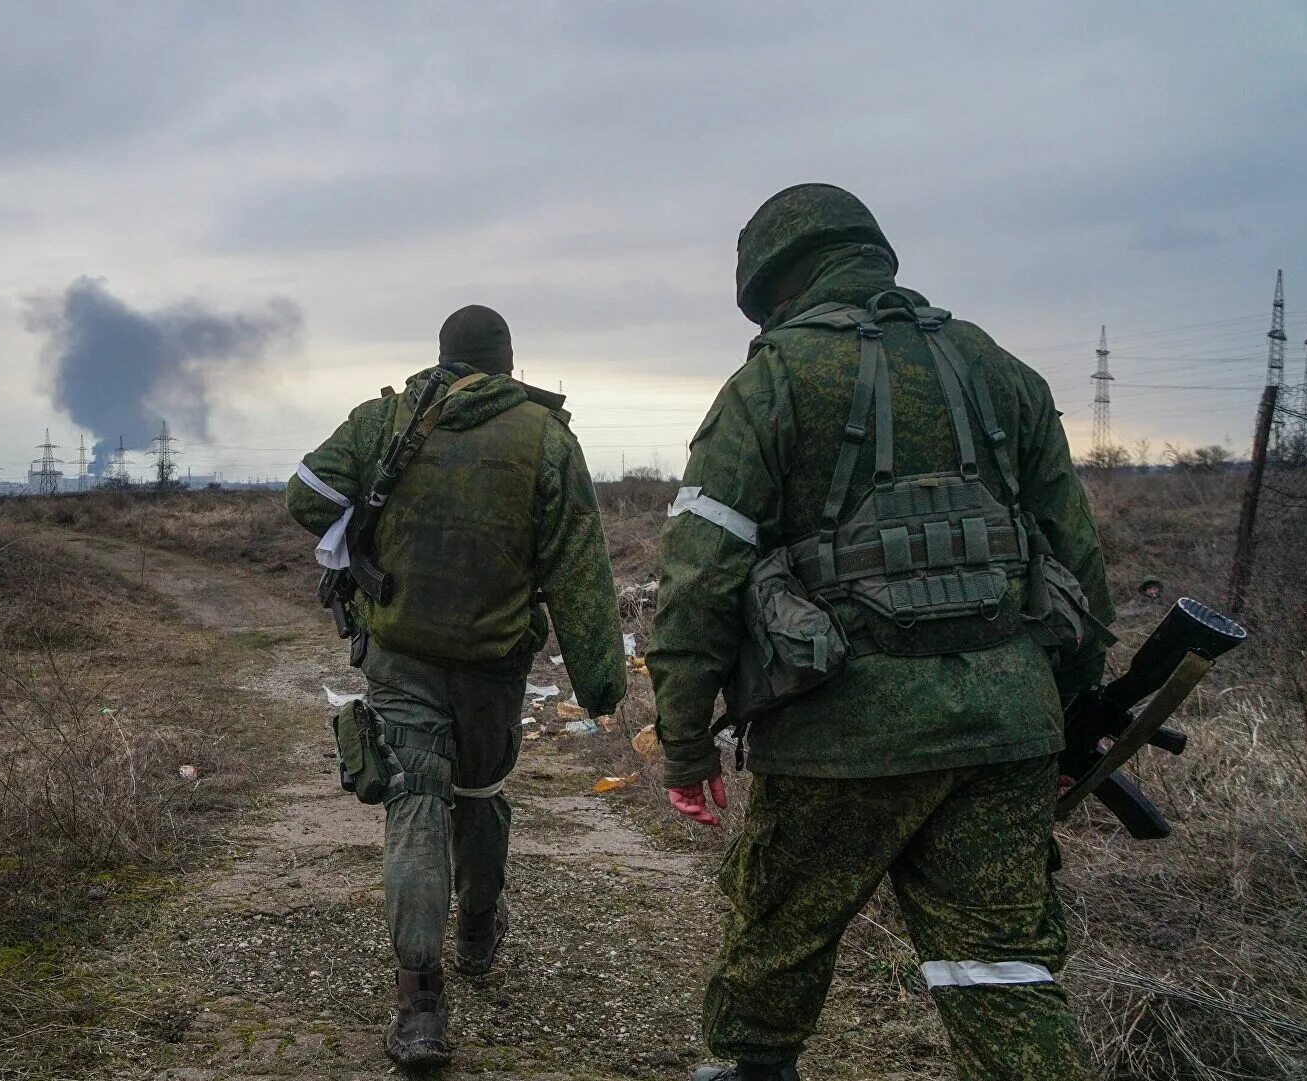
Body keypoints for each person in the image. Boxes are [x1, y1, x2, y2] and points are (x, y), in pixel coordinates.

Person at [648, 185, 1114, 1081]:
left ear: (773, 286)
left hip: (838, 731)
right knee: (1002, 960)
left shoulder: (773, 379)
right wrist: (1074, 710)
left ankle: (755, 1069)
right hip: (1008, 720)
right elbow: (1078, 561)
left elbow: (698, 577)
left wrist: (683, 742)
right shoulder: (1000, 367)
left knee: (780, 929)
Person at [287, 304, 627, 1069]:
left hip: (400, 656)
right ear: (509, 362)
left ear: (440, 354)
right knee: (479, 795)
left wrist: (370, 526)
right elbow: (580, 570)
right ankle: (477, 931)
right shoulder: (546, 437)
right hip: (493, 668)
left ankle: (419, 1009)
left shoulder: (388, 418)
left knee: (412, 802)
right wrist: (602, 685)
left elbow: (304, 494)